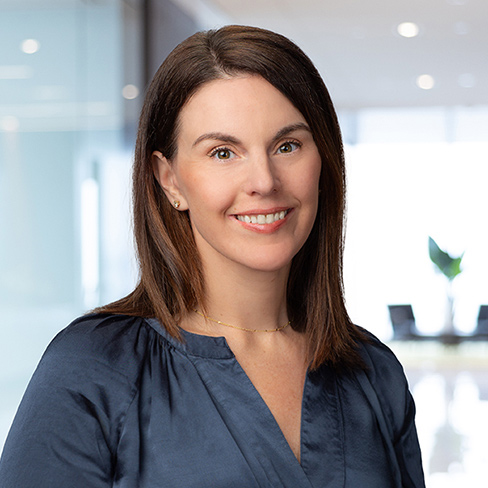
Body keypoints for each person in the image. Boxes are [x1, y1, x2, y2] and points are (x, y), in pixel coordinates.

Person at [0, 25, 425, 487]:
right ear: (170, 180)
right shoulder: (94, 367)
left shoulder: (374, 373)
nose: (263, 180)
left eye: (288, 146)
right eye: (223, 152)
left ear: (323, 160)